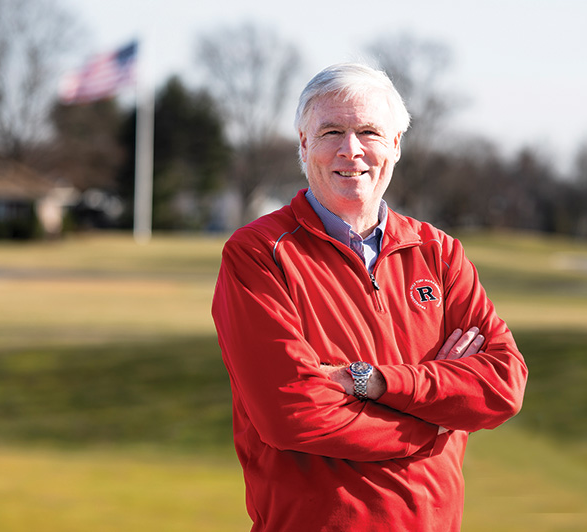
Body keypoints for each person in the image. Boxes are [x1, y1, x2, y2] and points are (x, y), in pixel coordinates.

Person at [211, 63, 527, 532]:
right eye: (331, 131)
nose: (351, 149)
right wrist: (434, 421)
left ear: (396, 145)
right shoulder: (259, 253)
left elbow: (502, 385)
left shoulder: (439, 253)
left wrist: (375, 383)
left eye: (369, 132)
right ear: (303, 144)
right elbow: (291, 414)